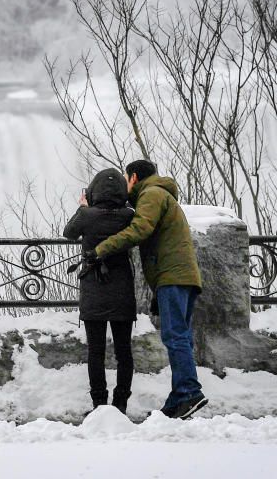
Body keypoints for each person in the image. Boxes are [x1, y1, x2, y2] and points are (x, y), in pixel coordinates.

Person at [91, 160, 208, 420]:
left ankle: (189, 391)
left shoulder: (152, 194)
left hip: (173, 277)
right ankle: (179, 398)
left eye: (125, 178)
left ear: (133, 177)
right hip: (179, 277)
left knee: (175, 336)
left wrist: (101, 248)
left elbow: (140, 228)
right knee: (181, 337)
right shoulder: (159, 193)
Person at [63, 169, 136, 415]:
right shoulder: (128, 215)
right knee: (124, 351)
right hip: (122, 290)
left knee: (96, 352)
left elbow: (68, 233)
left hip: (94, 289)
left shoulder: (87, 215)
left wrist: (82, 208)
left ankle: (99, 405)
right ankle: (121, 403)